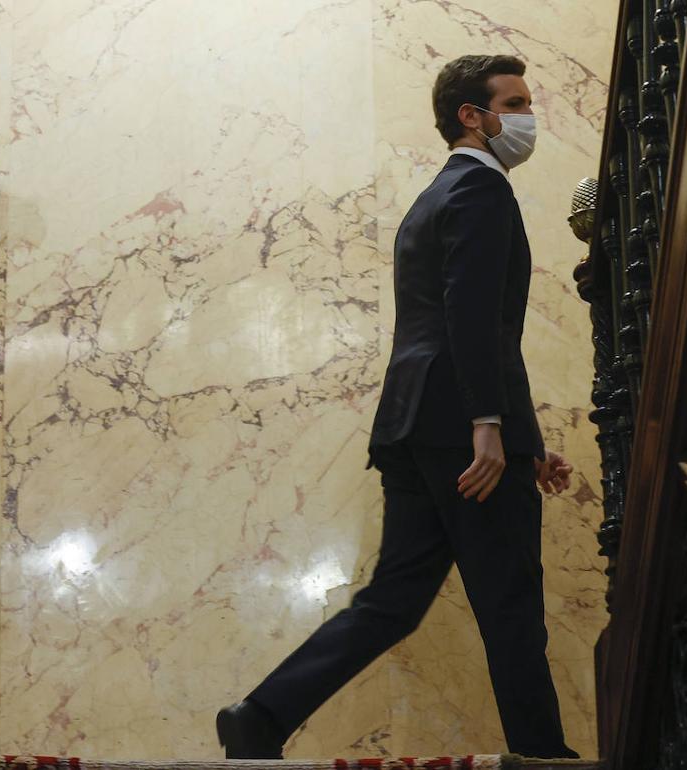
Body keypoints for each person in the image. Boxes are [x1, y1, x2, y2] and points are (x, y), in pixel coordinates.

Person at [215, 54, 579, 760]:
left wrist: (525, 439)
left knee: (396, 599)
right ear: (472, 116)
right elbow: (472, 318)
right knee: (509, 600)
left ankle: (261, 716)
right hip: (460, 425)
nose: (530, 117)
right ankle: (544, 756)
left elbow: (456, 330)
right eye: (517, 102)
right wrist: (491, 425)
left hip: (417, 424)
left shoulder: (432, 199)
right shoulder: (482, 193)